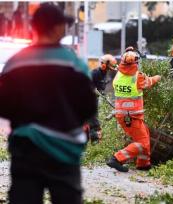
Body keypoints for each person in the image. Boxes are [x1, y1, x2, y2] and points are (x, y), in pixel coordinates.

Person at [1, 4, 97, 204]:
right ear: (55, 28)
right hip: (64, 150)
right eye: (63, 25)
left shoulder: (15, 63)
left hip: (26, 148)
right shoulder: (75, 64)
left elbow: (4, 105)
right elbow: (88, 107)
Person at [106, 47, 161, 172]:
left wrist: (129, 51)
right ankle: (116, 158)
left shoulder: (118, 75)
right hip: (131, 116)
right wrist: (158, 77)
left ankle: (143, 164)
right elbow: (150, 82)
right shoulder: (138, 77)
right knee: (142, 143)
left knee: (145, 134)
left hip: (124, 115)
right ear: (135, 63)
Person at [89, 54, 118, 144]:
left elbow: (101, 86)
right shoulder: (95, 73)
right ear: (104, 64)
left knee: (93, 116)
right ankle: (95, 138)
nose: (110, 69)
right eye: (109, 68)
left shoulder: (105, 74)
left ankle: (94, 137)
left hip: (95, 97)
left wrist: (101, 92)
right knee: (93, 117)